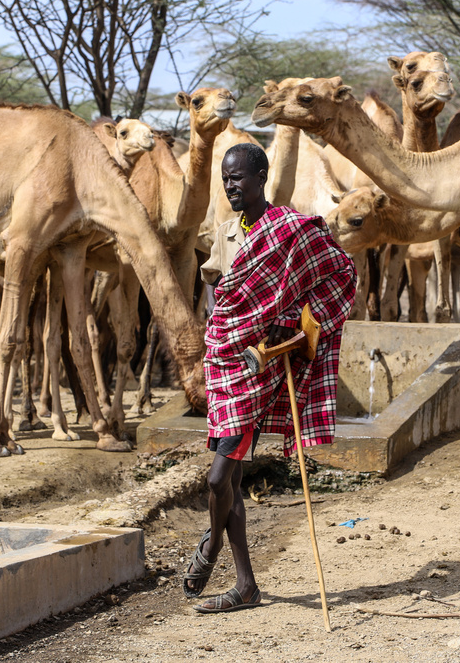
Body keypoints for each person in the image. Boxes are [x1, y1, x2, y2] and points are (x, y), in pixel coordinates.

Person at [184, 142, 355, 613]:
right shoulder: (224, 233)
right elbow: (218, 292)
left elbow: (339, 272)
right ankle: (246, 587)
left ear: (260, 177)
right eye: (225, 178)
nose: (230, 186)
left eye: (238, 177)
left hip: (263, 369)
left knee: (219, 479)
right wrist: (222, 326)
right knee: (229, 479)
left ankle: (213, 545)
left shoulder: (292, 231)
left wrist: (301, 331)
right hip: (224, 363)